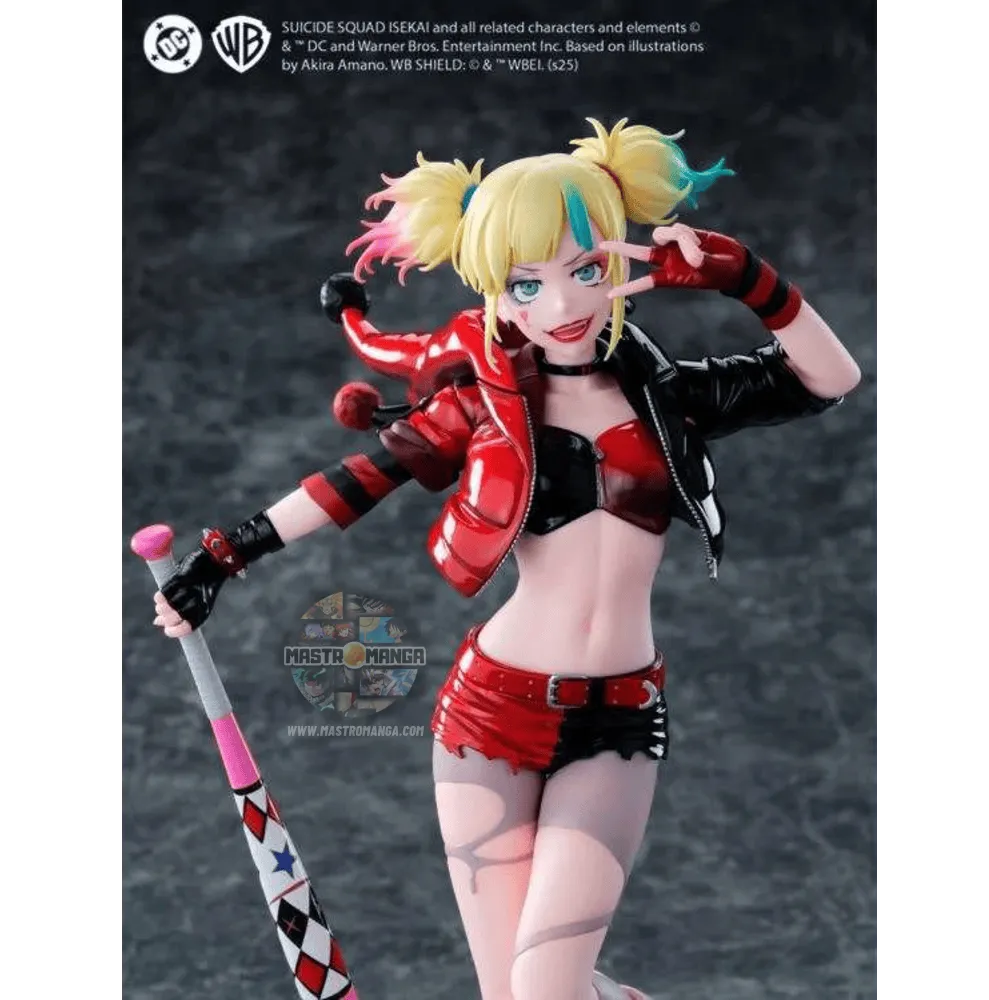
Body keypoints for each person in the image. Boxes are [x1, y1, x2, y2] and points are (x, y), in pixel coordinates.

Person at [151, 118, 861, 1000]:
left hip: (617, 721)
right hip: (488, 715)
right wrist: (222, 557)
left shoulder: (670, 396)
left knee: (545, 990)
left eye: (585, 270)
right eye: (527, 283)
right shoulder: (482, 408)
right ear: (495, 292)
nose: (560, 305)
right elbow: (355, 481)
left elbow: (829, 379)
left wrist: (748, 278)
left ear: (621, 260)